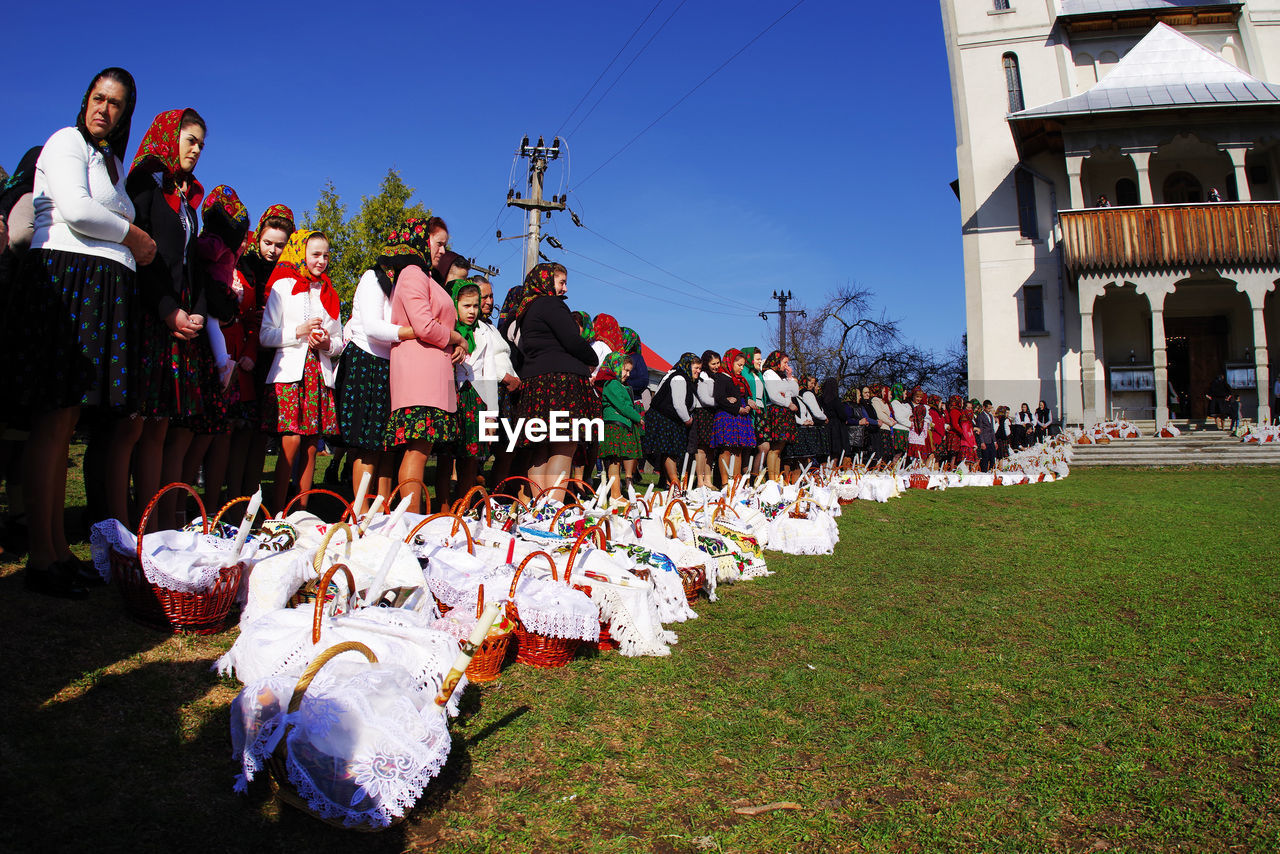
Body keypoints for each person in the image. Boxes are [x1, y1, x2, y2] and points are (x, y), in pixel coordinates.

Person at [9, 68, 152, 596]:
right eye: (98, 98)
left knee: (66, 420)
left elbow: (97, 210)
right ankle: (41, 557)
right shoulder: (66, 141)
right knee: (51, 420)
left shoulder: (110, 162)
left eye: (115, 104)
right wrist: (133, 236)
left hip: (94, 288)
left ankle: (56, 549)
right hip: (65, 284)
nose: (104, 110)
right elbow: (74, 209)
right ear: (86, 100)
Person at [123, 107, 221, 531]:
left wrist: (196, 312)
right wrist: (167, 310)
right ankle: (127, 525)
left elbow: (192, 265)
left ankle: (162, 527)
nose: (196, 150)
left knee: (161, 427)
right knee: (133, 428)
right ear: (169, 135)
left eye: (202, 143)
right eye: (190, 140)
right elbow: (141, 255)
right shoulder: (145, 182)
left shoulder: (187, 200)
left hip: (180, 322)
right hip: (150, 315)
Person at [336, 221, 429, 515]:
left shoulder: (402, 287)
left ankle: (383, 506)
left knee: (386, 443)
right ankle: (361, 510)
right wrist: (415, 331)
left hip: (390, 365)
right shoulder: (372, 279)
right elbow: (374, 327)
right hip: (366, 361)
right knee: (366, 441)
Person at [260, 230, 345, 512]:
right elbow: (265, 335)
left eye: (326, 255)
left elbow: (339, 343)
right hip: (290, 373)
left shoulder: (330, 294)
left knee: (311, 443)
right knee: (291, 438)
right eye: (315, 255)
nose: (321, 261)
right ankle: (276, 509)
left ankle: (302, 512)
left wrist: (325, 343)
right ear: (301, 254)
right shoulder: (283, 287)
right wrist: (299, 331)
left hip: (317, 373)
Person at [182, 185, 251, 510]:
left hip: (212, 321)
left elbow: (201, 251)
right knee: (194, 432)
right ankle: (182, 502)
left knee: (210, 428)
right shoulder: (226, 250)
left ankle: (195, 505)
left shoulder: (215, 246)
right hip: (204, 323)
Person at [386, 217, 459, 513]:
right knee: (416, 453)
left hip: (430, 376)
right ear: (421, 240)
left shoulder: (424, 276)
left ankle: (412, 519)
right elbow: (425, 326)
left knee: (421, 451)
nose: (442, 251)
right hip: (419, 377)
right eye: (438, 243)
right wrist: (456, 337)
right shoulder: (413, 273)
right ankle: (409, 521)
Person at [506, 262, 600, 493]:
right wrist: (593, 358)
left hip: (536, 384)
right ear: (547, 282)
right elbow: (572, 340)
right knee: (563, 445)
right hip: (561, 383)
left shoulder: (526, 310)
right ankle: (553, 508)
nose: (565, 289)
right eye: (561, 282)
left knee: (540, 448)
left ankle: (541, 507)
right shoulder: (550, 304)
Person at [226, 205, 294, 499]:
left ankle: (251, 496)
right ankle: (231, 495)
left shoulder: (290, 272)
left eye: (280, 245)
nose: (273, 250)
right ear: (258, 239)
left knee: (259, 431)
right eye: (268, 243)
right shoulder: (246, 263)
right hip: (244, 351)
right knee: (236, 431)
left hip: (272, 356)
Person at [473, 274, 522, 494]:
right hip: (490, 390)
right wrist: (505, 376)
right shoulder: (472, 327)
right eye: (484, 297)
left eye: (491, 296)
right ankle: (474, 498)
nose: (489, 302)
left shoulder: (491, 327)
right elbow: (482, 358)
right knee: (483, 450)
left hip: (506, 394)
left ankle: (498, 496)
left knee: (505, 448)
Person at [597, 352, 644, 503]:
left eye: (629, 371)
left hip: (621, 426)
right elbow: (623, 406)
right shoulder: (612, 384)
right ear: (616, 367)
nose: (628, 374)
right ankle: (615, 494)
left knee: (616, 461)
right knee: (614, 461)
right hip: (614, 427)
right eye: (625, 370)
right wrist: (638, 417)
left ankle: (615, 493)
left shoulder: (621, 385)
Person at [711, 349, 756, 483]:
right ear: (731, 363)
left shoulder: (740, 380)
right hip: (728, 416)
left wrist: (748, 404)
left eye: (743, 365)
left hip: (740, 416)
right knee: (726, 448)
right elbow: (719, 398)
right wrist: (737, 408)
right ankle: (725, 482)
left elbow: (744, 396)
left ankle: (736, 482)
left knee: (738, 449)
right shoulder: (721, 377)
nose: (741, 368)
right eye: (739, 365)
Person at [759, 351, 797, 481]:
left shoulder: (780, 376)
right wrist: (788, 403)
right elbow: (773, 395)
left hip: (783, 411)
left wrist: (790, 376)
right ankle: (772, 479)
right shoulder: (769, 373)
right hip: (776, 411)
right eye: (784, 362)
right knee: (774, 448)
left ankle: (776, 478)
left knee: (779, 449)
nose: (786, 366)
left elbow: (793, 392)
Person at [693, 349, 720, 488]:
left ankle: (708, 480)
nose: (716, 366)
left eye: (717, 363)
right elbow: (704, 398)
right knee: (702, 448)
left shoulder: (716, 377)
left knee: (710, 448)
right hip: (703, 412)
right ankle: (699, 481)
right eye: (713, 363)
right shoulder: (703, 376)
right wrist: (721, 401)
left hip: (712, 414)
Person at [740, 347, 768, 476]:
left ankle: (755, 475)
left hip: (760, 411)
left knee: (764, 447)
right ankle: (745, 477)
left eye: (760, 359)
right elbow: (740, 390)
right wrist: (748, 400)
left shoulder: (759, 373)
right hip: (750, 411)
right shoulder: (744, 372)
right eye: (757, 359)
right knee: (747, 447)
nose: (759, 362)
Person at [819, 377, 851, 463]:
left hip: (826, 425)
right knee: (836, 451)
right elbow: (842, 414)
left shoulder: (821, 399)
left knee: (829, 451)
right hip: (837, 427)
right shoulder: (835, 399)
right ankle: (834, 470)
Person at [976, 399, 996, 472]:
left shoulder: (990, 416)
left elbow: (992, 429)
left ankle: (992, 472)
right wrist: (982, 442)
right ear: (984, 407)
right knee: (985, 459)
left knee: (992, 458)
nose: (990, 410)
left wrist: (995, 441)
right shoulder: (980, 416)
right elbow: (980, 429)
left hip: (991, 440)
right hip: (985, 440)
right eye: (988, 408)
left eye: (991, 408)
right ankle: (984, 473)